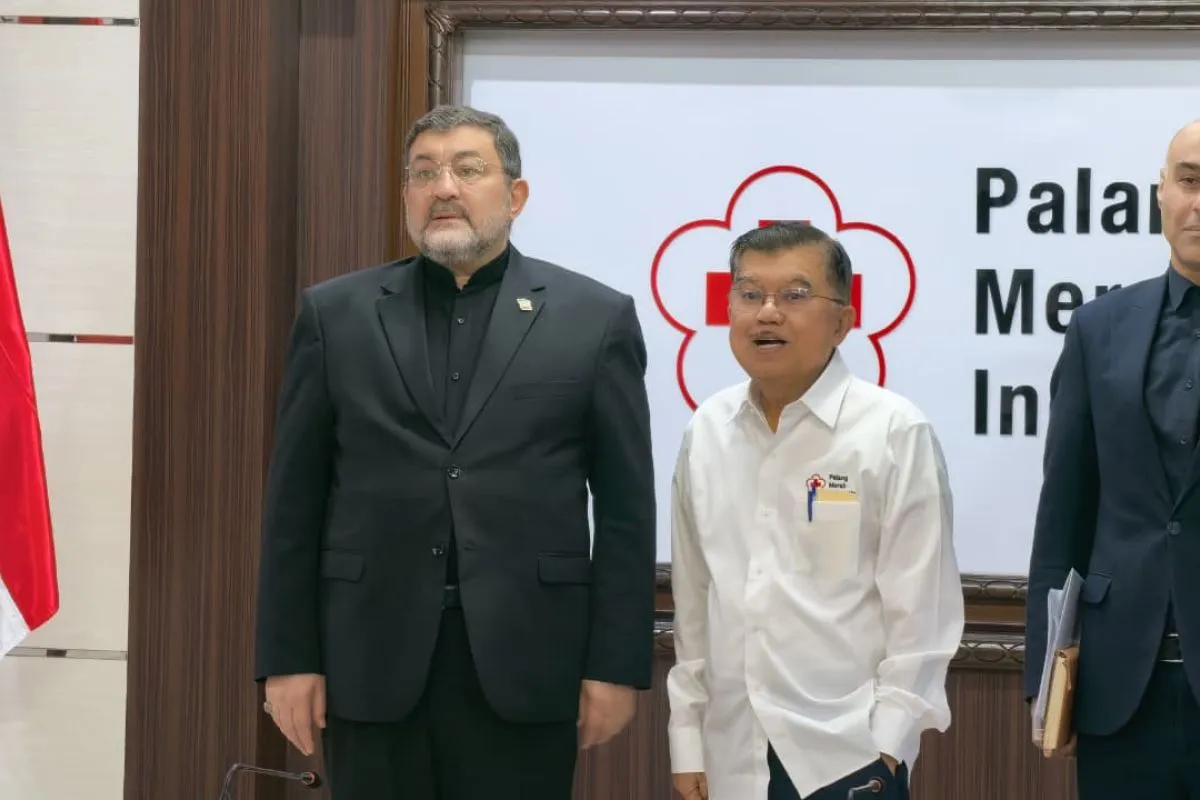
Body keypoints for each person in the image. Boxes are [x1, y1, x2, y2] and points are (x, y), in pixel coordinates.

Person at [253, 104, 658, 800]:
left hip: (528, 663)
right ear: (405, 195)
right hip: (371, 659)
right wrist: (287, 659)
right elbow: (295, 500)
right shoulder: (336, 315)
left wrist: (615, 666)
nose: (444, 187)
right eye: (423, 172)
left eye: (468, 169)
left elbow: (625, 511)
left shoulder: (594, 319)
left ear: (516, 194)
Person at [667, 221, 965, 800]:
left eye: (795, 295)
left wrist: (889, 747)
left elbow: (922, 613)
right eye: (750, 295)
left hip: (847, 757)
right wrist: (686, 739)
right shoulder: (706, 430)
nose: (768, 313)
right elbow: (695, 604)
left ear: (842, 321)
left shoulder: (892, 431)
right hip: (728, 755)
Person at [1025, 119, 1200, 798]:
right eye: (1188, 181)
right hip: (1119, 690)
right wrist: (1048, 683)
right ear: (1161, 192)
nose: (1199, 204)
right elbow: (1062, 516)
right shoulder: (1097, 329)